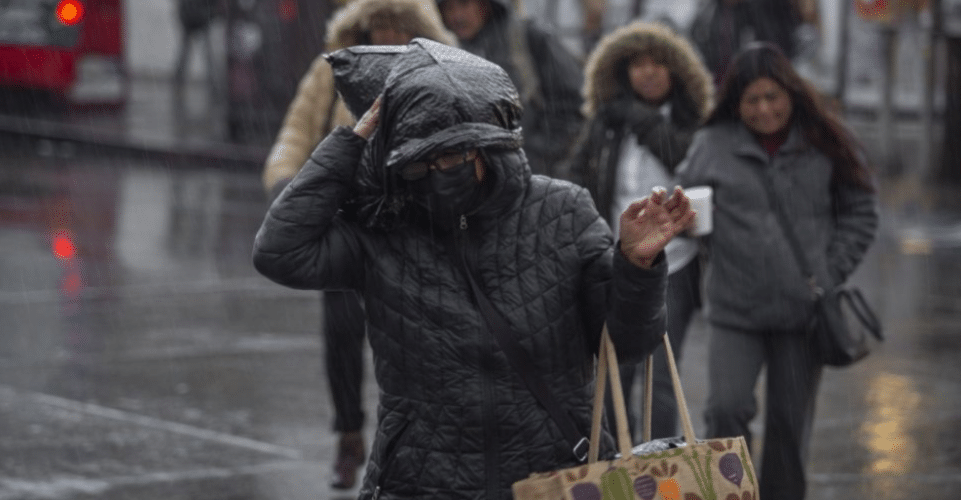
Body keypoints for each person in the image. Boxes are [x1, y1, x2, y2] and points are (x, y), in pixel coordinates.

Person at [252, 38, 695, 499]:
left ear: (486, 145)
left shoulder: (563, 211)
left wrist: (636, 265)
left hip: (553, 475)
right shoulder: (384, 227)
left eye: (453, 154)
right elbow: (279, 251)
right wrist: (352, 140)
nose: (439, 169)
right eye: (421, 160)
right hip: (421, 479)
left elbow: (630, 342)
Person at [259, 0, 456, 490]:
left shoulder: (436, 69)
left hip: (413, 225)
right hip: (348, 220)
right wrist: (289, 184)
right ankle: (349, 436)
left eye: (396, 24)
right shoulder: (333, 69)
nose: (385, 33)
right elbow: (297, 130)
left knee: (421, 341)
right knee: (342, 336)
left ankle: (420, 444)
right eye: (378, 23)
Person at [675, 43, 878, 500]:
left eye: (773, 97)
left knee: (788, 428)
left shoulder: (824, 141)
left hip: (802, 314)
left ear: (791, 93)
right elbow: (683, 208)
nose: (764, 109)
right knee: (725, 414)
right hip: (734, 309)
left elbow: (862, 211)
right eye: (752, 100)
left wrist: (830, 272)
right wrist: (686, 223)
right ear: (735, 103)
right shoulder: (712, 145)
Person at [559, 21, 713, 441]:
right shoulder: (607, 122)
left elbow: (685, 159)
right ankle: (617, 467)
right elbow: (578, 178)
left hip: (675, 264)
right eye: (638, 64)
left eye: (658, 63)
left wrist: (643, 120)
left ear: (676, 71)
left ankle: (660, 468)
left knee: (662, 378)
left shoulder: (692, 124)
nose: (648, 72)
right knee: (614, 375)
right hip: (614, 259)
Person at [436, 0, 584, 177]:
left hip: (535, 179)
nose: (456, 16)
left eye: (464, 5)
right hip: (481, 186)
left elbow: (575, 105)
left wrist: (536, 155)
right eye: (449, 8)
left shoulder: (526, 37)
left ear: (485, 6)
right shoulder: (443, 52)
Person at [689, 0, 803, 87]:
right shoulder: (707, 13)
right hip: (718, 86)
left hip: (755, 84)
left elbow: (776, 49)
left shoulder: (761, 10)